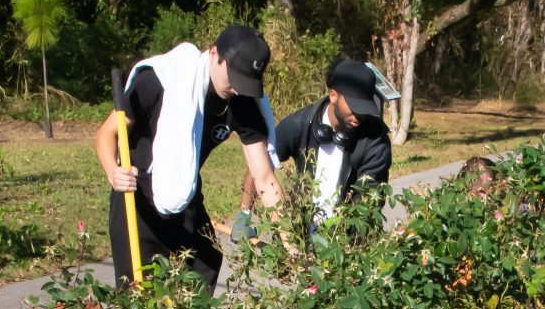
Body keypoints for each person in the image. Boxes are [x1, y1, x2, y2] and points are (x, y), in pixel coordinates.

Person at [96, 24, 283, 292]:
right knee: (137, 293)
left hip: (185, 189)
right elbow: (107, 134)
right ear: (215, 54)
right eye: (235, 78)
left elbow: (264, 178)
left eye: (247, 82)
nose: (238, 89)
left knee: (206, 261)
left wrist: (292, 243)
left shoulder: (241, 100)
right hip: (136, 193)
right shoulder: (162, 79)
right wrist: (113, 171)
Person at [265, 56, 392, 229]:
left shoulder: (375, 140)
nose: (359, 115)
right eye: (354, 106)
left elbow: (369, 202)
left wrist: (336, 244)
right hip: (301, 233)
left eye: (365, 107)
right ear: (333, 96)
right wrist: (245, 214)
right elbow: (261, 163)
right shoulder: (299, 124)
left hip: (346, 241)